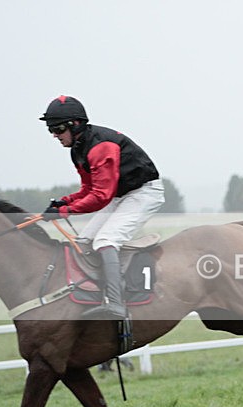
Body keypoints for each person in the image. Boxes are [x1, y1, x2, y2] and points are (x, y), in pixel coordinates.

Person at [39, 96, 165, 319]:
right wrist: (64, 201)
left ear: (75, 125)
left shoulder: (100, 146)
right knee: (83, 242)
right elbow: (89, 188)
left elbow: (100, 196)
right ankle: (94, 294)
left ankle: (116, 304)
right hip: (121, 196)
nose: (54, 135)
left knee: (105, 241)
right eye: (51, 129)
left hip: (143, 193)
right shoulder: (77, 149)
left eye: (57, 129)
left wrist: (65, 212)